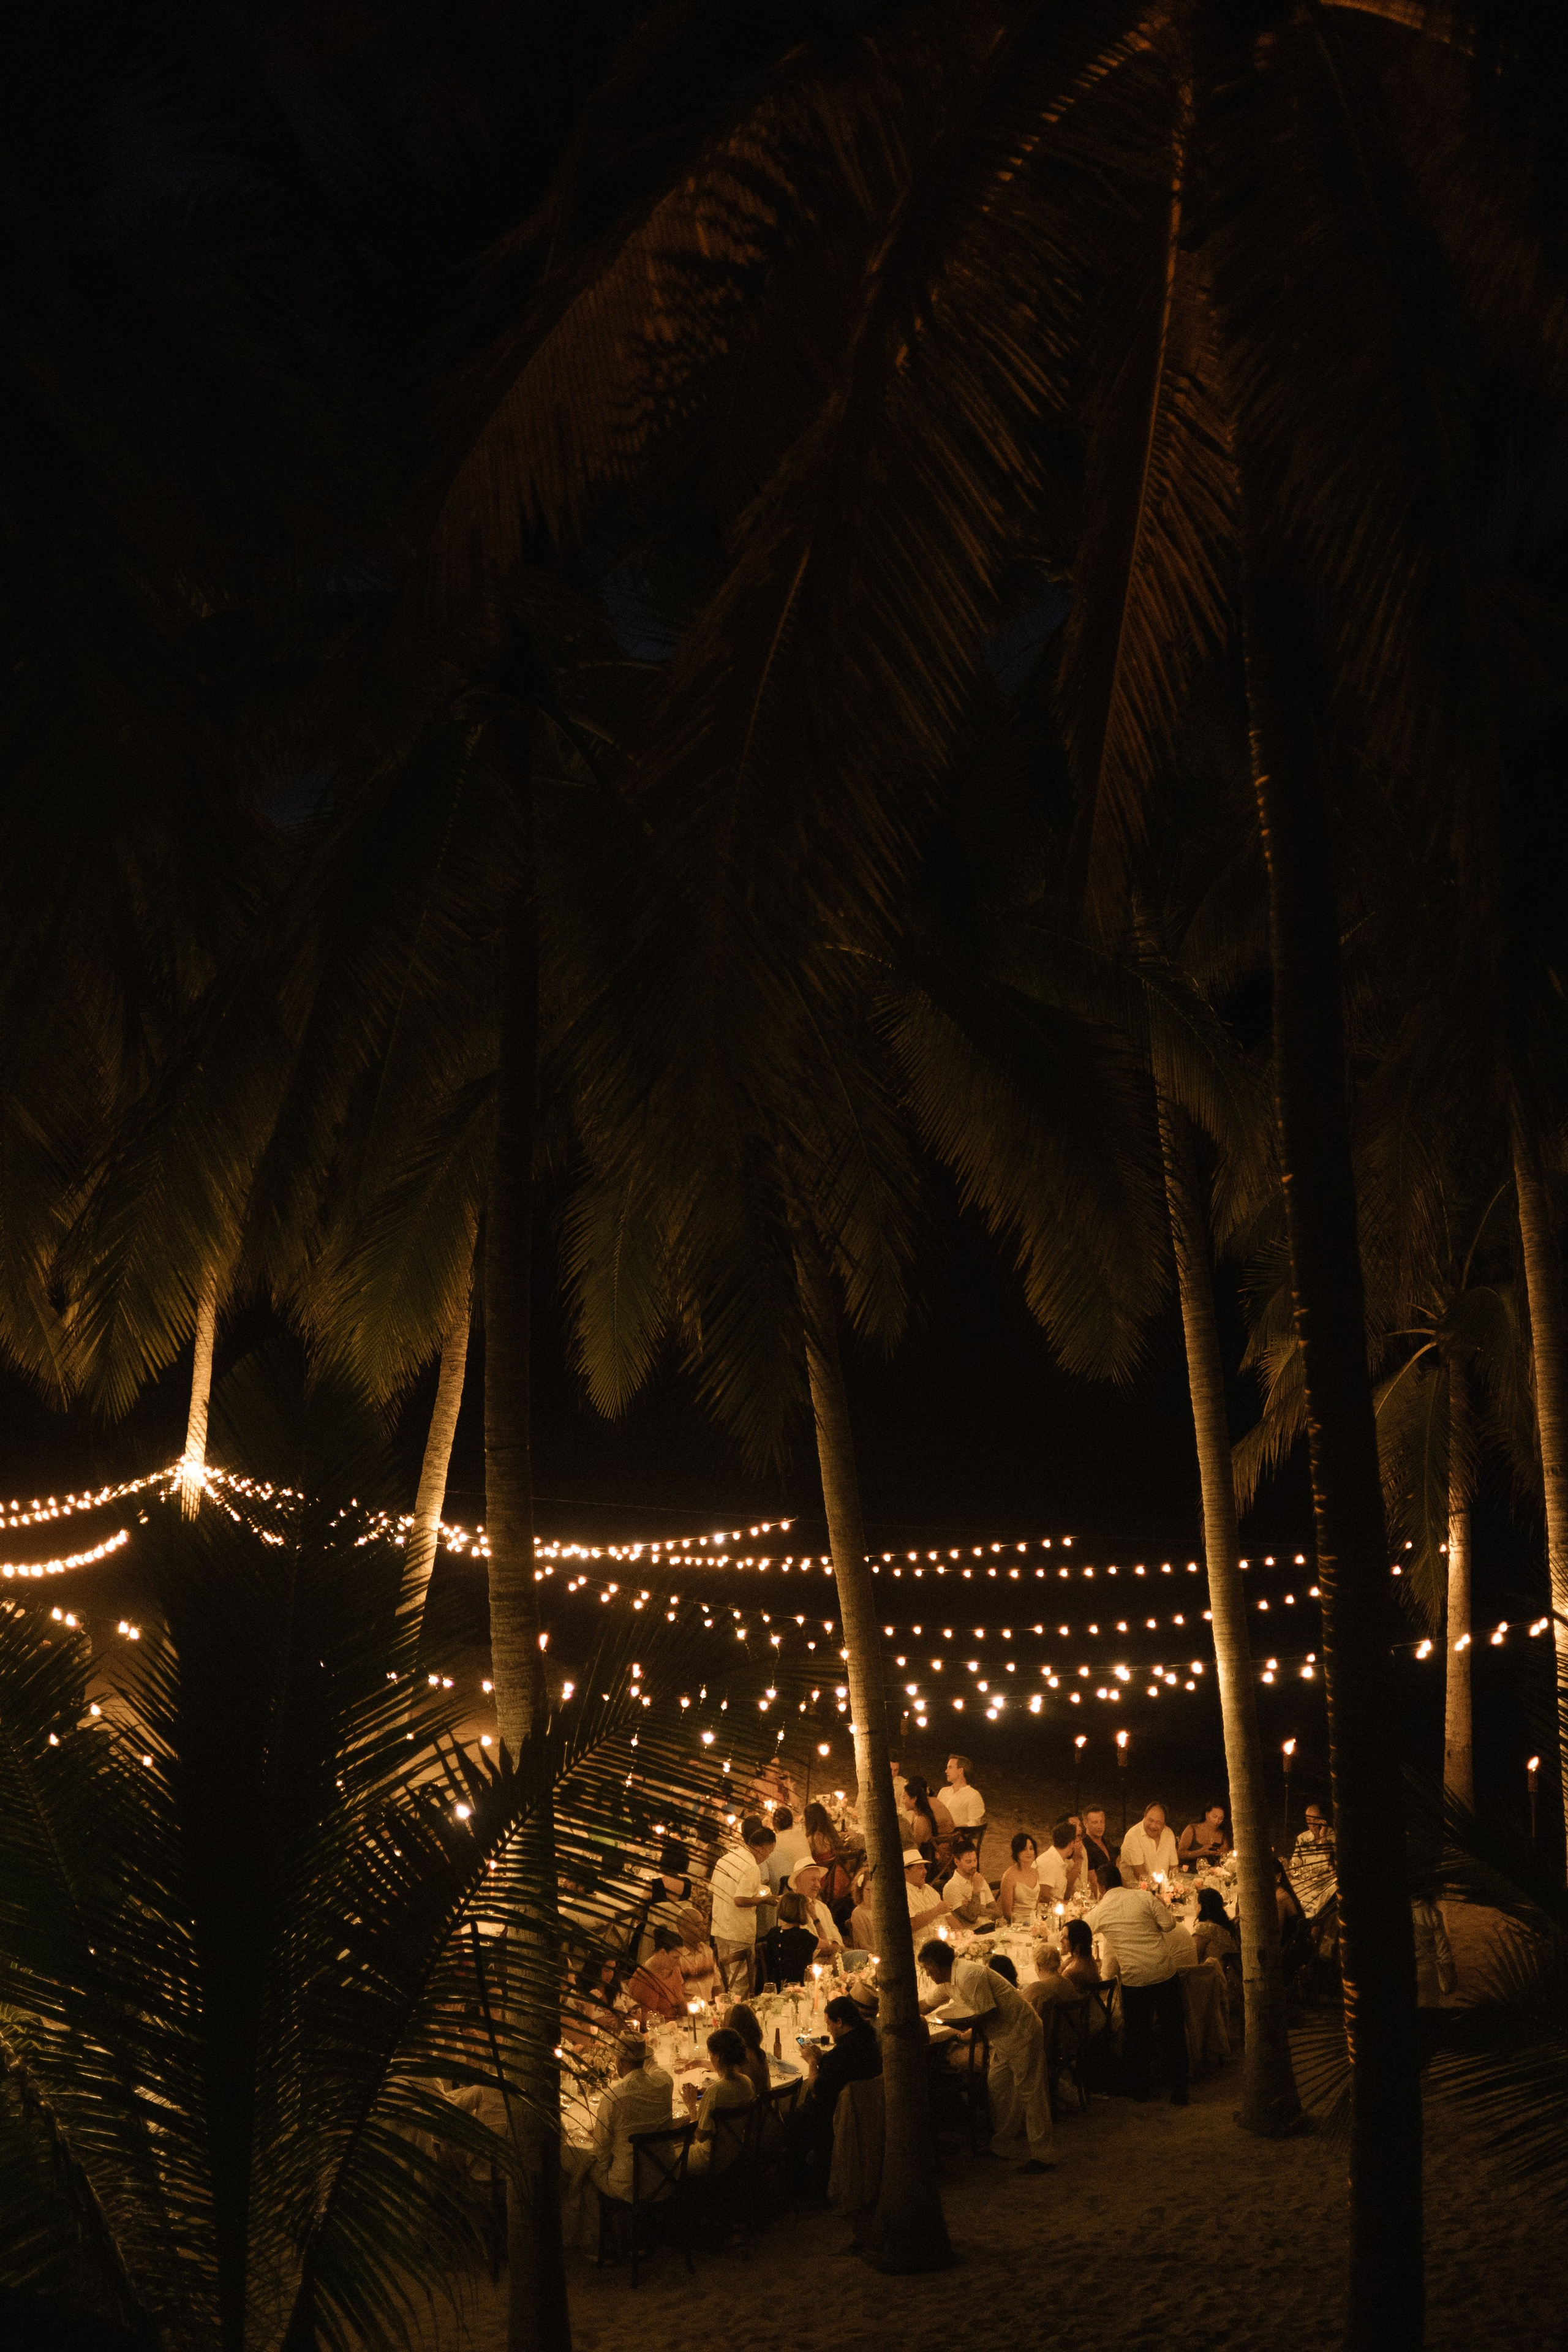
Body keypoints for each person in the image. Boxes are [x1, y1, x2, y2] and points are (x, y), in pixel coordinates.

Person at [918, 1941, 1054, 2171]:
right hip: (1002, 2037)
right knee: (998, 2084)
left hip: (1021, 2030)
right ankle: (1004, 2143)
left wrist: (962, 2025)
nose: (927, 1974)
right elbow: (927, 2005)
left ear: (938, 1965)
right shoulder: (947, 1982)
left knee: (1031, 2092)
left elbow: (988, 2011)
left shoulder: (968, 1974)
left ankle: (1043, 2155)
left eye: (928, 1969)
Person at [1088, 1865, 1189, 2105]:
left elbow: (1080, 1932)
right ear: (1122, 1880)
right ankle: (1180, 2088)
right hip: (1164, 1971)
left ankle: (1140, 2089)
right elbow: (1169, 1925)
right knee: (1172, 2031)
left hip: (1136, 1980)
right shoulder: (1144, 1897)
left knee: (1137, 2036)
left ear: (1101, 1887)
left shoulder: (1100, 1911)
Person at [788, 1992, 881, 2190]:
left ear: (839, 2022)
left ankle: (800, 2180)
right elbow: (842, 2070)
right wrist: (824, 2059)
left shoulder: (844, 2053)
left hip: (839, 2115)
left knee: (796, 2118)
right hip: (868, 2109)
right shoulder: (866, 2038)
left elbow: (818, 2090)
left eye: (829, 2024)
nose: (828, 2031)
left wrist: (813, 2063)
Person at [590, 2033, 678, 2200]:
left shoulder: (613, 2099)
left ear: (621, 2061)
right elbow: (656, 2069)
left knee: (583, 2169)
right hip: (667, 2177)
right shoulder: (666, 2082)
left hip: (629, 2187)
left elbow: (600, 2152)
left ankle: (598, 2225)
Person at [709, 1817, 777, 2000]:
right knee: (741, 1984)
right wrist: (765, 1900)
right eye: (769, 1852)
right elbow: (739, 1899)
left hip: (720, 1927)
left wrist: (757, 1887)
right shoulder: (751, 1867)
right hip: (738, 1931)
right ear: (762, 1848)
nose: (767, 1857)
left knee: (724, 1980)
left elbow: (715, 1889)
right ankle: (739, 2019)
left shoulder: (726, 1858)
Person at [682, 2027, 756, 2171]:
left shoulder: (714, 2091)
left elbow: (700, 2136)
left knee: (668, 2153)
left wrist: (691, 2105)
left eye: (710, 2054)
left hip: (710, 2159)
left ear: (717, 2057)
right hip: (735, 2152)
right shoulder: (747, 2082)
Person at [1412, 1882, 1457, 2056]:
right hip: (1429, 1975)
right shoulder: (1433, 1914)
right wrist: (1449, 1973)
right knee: (1428, 2018)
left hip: (1405, 1975)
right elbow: (1443, 1952)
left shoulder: (1396, 1914)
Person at [1288, 1803, 1338, 1917]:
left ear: (1322, 1820)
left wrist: (1323, 1837)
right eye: (1309, 1819)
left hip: (1324, 1885)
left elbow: (1333, 1868)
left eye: (1316, 1819)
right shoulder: (1303, 1839)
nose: (1312, 1823)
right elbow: (1295, 1865)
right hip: (1305, 1884)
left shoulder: (1333, 1837)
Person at [627, 1928, 686, 2020]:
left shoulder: (674, 1970)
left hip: (677, 2025)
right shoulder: (645, 1978)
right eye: (676, 1957)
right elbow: (645, 2021)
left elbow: (681, 2003)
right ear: (663, 1952)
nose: (679, 1962)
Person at [763, 1891, 821, 1985]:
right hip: (798, 1987)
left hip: (775, 1984)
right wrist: (815, 1917)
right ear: (802, 1911)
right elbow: (826, 1943)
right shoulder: (805, 1937)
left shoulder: (773, 1933)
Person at [1117, 1803, 1180, 1888]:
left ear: (1164, 1825)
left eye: (1158, 1823)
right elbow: (1141, 1876)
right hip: (1135, 1891)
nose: (1153, 1826)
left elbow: (1174, 1868)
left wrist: (1172, 1888)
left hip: (1163, 1890)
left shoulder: (1168, 1834)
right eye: (1150, 1820)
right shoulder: (1133, 1836)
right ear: (1144, 1817)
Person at [789, 1860, 845, 1954]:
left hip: (834, 1955)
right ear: (798, 1881)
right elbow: (803, 1946)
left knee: (864, 1957)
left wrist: (836, 1948)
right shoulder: (791, 1907)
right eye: (813, 1880)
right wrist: (833, 1951)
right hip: (812, 1963)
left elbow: (835, 1933)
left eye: (819, 1880)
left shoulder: (822, 1907)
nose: (818, 1886)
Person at [943, 1839, 999, 1926]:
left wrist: (977, 1909)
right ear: (957, 1862)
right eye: (969, 1862)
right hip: (973, 1933)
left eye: (975, 1860)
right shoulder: (952, 1887)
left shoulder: (980, 1880)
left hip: (990, 1928)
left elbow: (998, 1913)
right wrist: (976, 1891)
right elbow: (971, 1918)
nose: (974, 1865)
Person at [904, 1848, 954, 1944]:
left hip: (945, 1944)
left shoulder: (929, 1889)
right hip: (924, 1948)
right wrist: (937, 1911)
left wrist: (966, 1936)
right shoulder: (903, 1894)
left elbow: (949, 1917)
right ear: (907, 1872)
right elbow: (911, 1925)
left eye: (924, 1867)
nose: (925, 1872)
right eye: (920, 1868)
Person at [723, 2001, 774, 2096]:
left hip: (750, 2109)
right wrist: (700, 2063)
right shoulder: (758, 2053)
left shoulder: (740, 2060)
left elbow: (733, 2095)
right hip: (766, 2108)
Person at [1038, 1820, 1089, 1905]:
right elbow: (1043, 1896)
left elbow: (1064, 1894)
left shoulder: (1060, 1862)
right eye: (1077, 1841)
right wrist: (1069, 1905)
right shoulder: (1049, 1861)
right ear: (1072, 1843)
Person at [676, 1903, 718, 2005]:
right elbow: (676, 1997)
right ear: (683, 1929)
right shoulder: (676, 1957)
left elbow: (717, 1986)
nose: (704, 1928)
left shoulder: (707, 1951)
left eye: (704, 1924)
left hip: (709, 2012)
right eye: (698, 1925)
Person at [998, 1832, 1042, 1926]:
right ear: (1017, 1852)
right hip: (1015, 1925)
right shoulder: (1009, 1876)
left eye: (1031, 1849)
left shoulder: (1035, 1872)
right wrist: (1026, 1924)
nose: (1029, 1853)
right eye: (1024, 1849)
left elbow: (1036, 1905)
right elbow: (1007, 1913)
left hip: (1034, 1923)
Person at [1024, 1945, 1081, 2016]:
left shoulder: (1037, 1989)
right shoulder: (1068, 1983)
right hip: (1071, 2027)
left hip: (1048, 2027)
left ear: (1038, 1966)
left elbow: (1022, 2014)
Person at [1192, 1887, 1239, 1969]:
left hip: (1213, 1977)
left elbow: (1193, 1959)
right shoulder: (1227, 1925)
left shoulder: (1203, 1929)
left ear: (1200, 1906)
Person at [902, 1774, 948, 1849]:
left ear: (914, 1799)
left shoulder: (921, 1820)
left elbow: (915, 1848)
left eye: (904, 1798)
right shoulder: (922, 1812)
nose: (902, 1802)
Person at [1178, 1805, 1231, 1870]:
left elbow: (1227, 1853)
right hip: (1190, 1873)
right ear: (1207, 1815)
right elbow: (1180, 1854)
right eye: (1214, 1817)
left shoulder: (1222, 1835)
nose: (1217, 1821)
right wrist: (1200, 1852)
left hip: (1212, 1875)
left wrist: (1224, 1853)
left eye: (1221, 1819)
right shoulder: (1192, 1829)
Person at [1060, 1917, 1104, 1996]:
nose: (1061, 1940)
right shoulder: (1089, 1959)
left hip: (1079, 2007)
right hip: (1095, 2006)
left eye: (1066, 1938)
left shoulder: (1071, 1973)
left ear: (1078, 1943)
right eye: (1061, 1935)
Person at [943, 1754, 986, 1833]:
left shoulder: (973, 1795)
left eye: (950, 1767)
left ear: (961, 1771)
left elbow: (975, 1823)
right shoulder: (944, 1791)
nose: (946, 1771)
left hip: (958, 1840)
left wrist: (956, 1830)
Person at [769, 1806, 812, 1881]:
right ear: (792, 1822)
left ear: (774, 1825)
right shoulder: (801, 1835)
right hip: (809, 1882)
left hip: (788, 1887)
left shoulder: (774, 1841)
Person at [1080, 1806, 1115, 1894]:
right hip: (1100, 1896)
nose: (1100, 1826)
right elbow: (1092, 1881)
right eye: (1095, 1823)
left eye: (1102, 1822)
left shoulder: (1107, 1842)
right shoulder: (1085, 1846)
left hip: (1113, 1891)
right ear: (1086, 1824)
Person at [848, 1866, 878, 1951]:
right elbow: (863, 1945)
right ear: (861, 1890)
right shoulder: (858, 1913)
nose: (873, 1894)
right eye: (869, 1890)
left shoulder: (882, 1911)